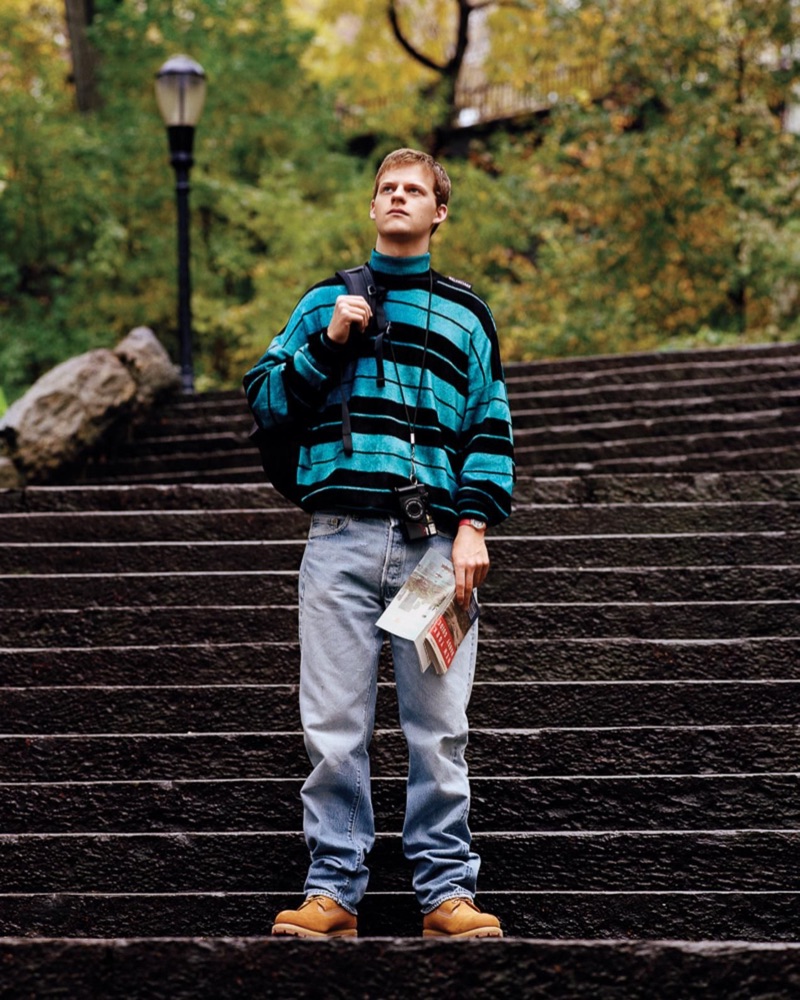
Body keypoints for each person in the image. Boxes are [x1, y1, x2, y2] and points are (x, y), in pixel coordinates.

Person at [243, 148, 515, 939]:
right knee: (332, 725)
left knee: (440, 725)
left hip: (433, 553)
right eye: (386, 189)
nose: (399, 197)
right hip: (337, 543)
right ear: (372, 210)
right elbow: (264, 398)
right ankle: (333, 891)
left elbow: (489, 428)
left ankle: (445, 895)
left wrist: (473, 528)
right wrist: (326, 340)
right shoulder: (325, 300)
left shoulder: (467, 315)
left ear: (438, 214)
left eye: (415, 190)